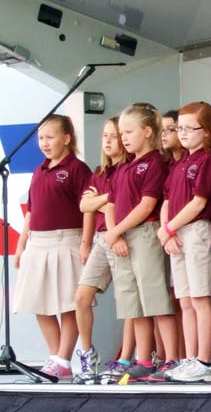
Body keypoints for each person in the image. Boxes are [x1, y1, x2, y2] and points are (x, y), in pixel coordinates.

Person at [13, 115, 92, 381]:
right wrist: (22, 245)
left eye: (50, 137)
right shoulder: (39, 170)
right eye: (41, 138)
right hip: (38, 242)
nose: (44, 143)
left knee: (68, 303)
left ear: (66, 138)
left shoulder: (77, 169)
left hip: (66, 240)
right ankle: (56, 356)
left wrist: (85, 243)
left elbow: (89, 209)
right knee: (39, 301)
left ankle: (63, 358)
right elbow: (31, 212)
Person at [104, 103, 179, 382]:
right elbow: (110, 203)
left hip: (145, 234)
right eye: (120, 132)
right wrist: (115, 234)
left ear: (147, 131)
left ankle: (170, 358)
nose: (123, 137)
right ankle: (144, 359)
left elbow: (147, 205)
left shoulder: (155, 163)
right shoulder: (123, 166)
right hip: (122, 238)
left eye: (128, 131)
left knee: (155, 299)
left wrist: (117, 231)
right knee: (132, 303)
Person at [159, 102, 211, 382]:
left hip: (195, 229)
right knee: (184, 300)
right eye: (178, 128)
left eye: (189, 128)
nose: (182, 133)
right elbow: (168, 200)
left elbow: (199, 202)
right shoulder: (179, 163)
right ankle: (190, 357)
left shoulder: (207, 160)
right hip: (175, 232)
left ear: (207, 131)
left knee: (199, 298)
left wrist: (170, 227)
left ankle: (204, 360)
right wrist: (166, 230)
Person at [74, 117, 135, 384]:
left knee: (129, 302)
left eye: (114, 135)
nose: (108, 141)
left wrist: (99, 202)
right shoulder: (99, 172)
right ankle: (87, 354)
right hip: (100, 239)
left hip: (121, 236)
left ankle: (125, 358)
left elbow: (117, 204)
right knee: (81, 296)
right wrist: (85, 243)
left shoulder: (129, 168)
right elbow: (85, 208)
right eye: (105, 136)